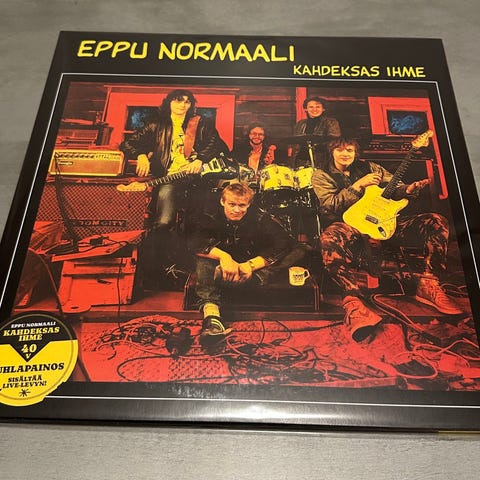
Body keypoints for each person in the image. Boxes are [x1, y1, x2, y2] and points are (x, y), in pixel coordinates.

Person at [312, 137, 462, 342]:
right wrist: (358, 185)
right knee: (328, 239)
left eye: (349, 150)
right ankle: (354, 303)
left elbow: (395, 186)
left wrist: (407, 190)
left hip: (384, 221)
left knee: (436, 221)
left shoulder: (371, 167)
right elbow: (331, 204)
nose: (345, 154)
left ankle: (428, 284)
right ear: (332, 152)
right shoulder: (321, 175)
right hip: (348, 225)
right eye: (339, 150)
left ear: (356, 152)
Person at [120, 89, 229, 285]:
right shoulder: (156, 124)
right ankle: (158, 270)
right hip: (168, 179)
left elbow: (219, 145)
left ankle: (192, 272)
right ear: (169, 103)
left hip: (196, 180)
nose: (183, 105)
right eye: (178, 101)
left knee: (200, 224)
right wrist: (141, 154)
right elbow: (128, 143)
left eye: (187, 101)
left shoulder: (200, 123)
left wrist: (201, 159)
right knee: (163, 222)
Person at [188, 183, 303, 350]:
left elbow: (283, 242)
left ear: (249, 204)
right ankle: (212, 317)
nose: (236, 210)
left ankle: (253, 278)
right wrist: (224, 257)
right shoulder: (209, 214)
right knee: (203, 260)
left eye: (242, 205)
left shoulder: (260, 217)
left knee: (300, 250)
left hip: (250, 264)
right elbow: (194, 242)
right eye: (231, 204)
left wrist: (251, 265)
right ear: (222, 201)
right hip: (222, 263)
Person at [293, 96, 341, 168]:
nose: (314, 109)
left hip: (322, 161)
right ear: (306, 109)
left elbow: (334, 141)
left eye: (318, 107)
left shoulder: (331, 122)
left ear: (323, 109)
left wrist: (315, 145)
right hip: (301, 161)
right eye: (311, 107)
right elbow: (295, 143)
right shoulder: (300, 123)